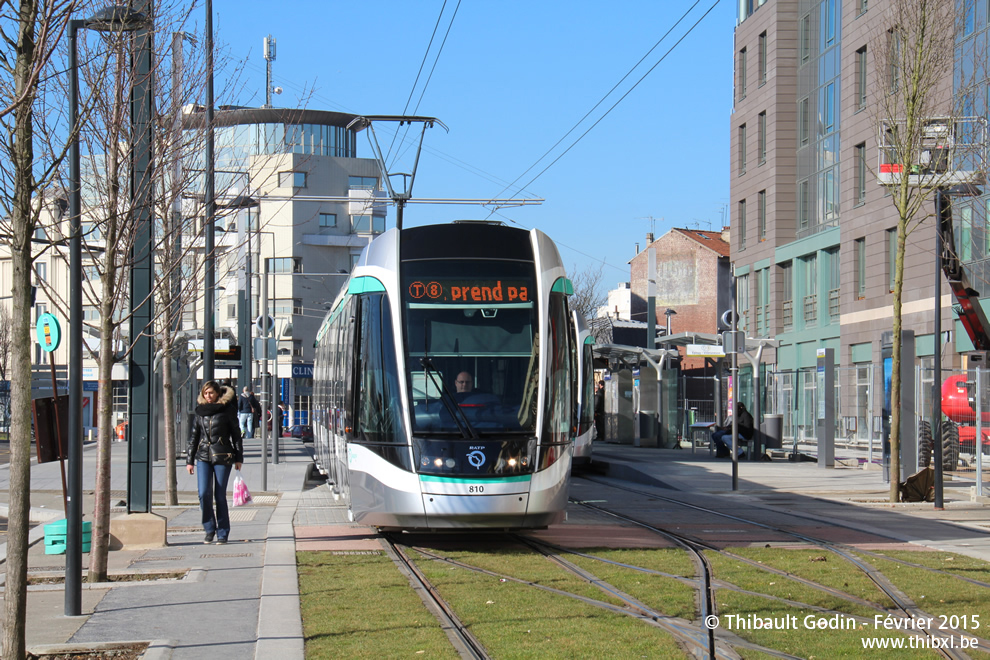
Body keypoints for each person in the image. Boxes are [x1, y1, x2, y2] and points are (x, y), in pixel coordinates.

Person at [186, 380, 243, 544]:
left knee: (219, 495)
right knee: (204, 493)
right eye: (205, 393)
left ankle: (223, 532)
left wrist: (239, 458)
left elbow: (236, 436)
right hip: (203, 456)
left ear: (218, 393)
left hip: (222, 455)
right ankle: (209, 528)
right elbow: (194, 437)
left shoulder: (227, 410)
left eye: (211, 393)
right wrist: (189, 461)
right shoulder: (200, 412)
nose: (208, 396)